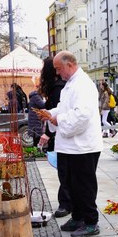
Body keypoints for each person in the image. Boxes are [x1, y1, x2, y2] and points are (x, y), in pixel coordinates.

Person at [35, 51, 102, 237]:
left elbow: (81, 115)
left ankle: (91, 221)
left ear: (70, 64)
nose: (57, 73)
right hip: (71, 145)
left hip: (83, 146)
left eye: (59, 68)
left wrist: (58, 119)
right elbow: (66, 109)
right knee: (71, 184)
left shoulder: (83, 85)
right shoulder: (70, 85)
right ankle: (78, 217)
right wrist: (50, 114)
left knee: (84, 185)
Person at [37, 57, 72, 218]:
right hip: (59, 133)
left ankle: (66, 203)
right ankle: (67, 202)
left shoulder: (59, 88)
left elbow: (59, 112)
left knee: (65, 172)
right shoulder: (58, 87)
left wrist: (48, 133)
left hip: (63, 134)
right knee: (64, 171)